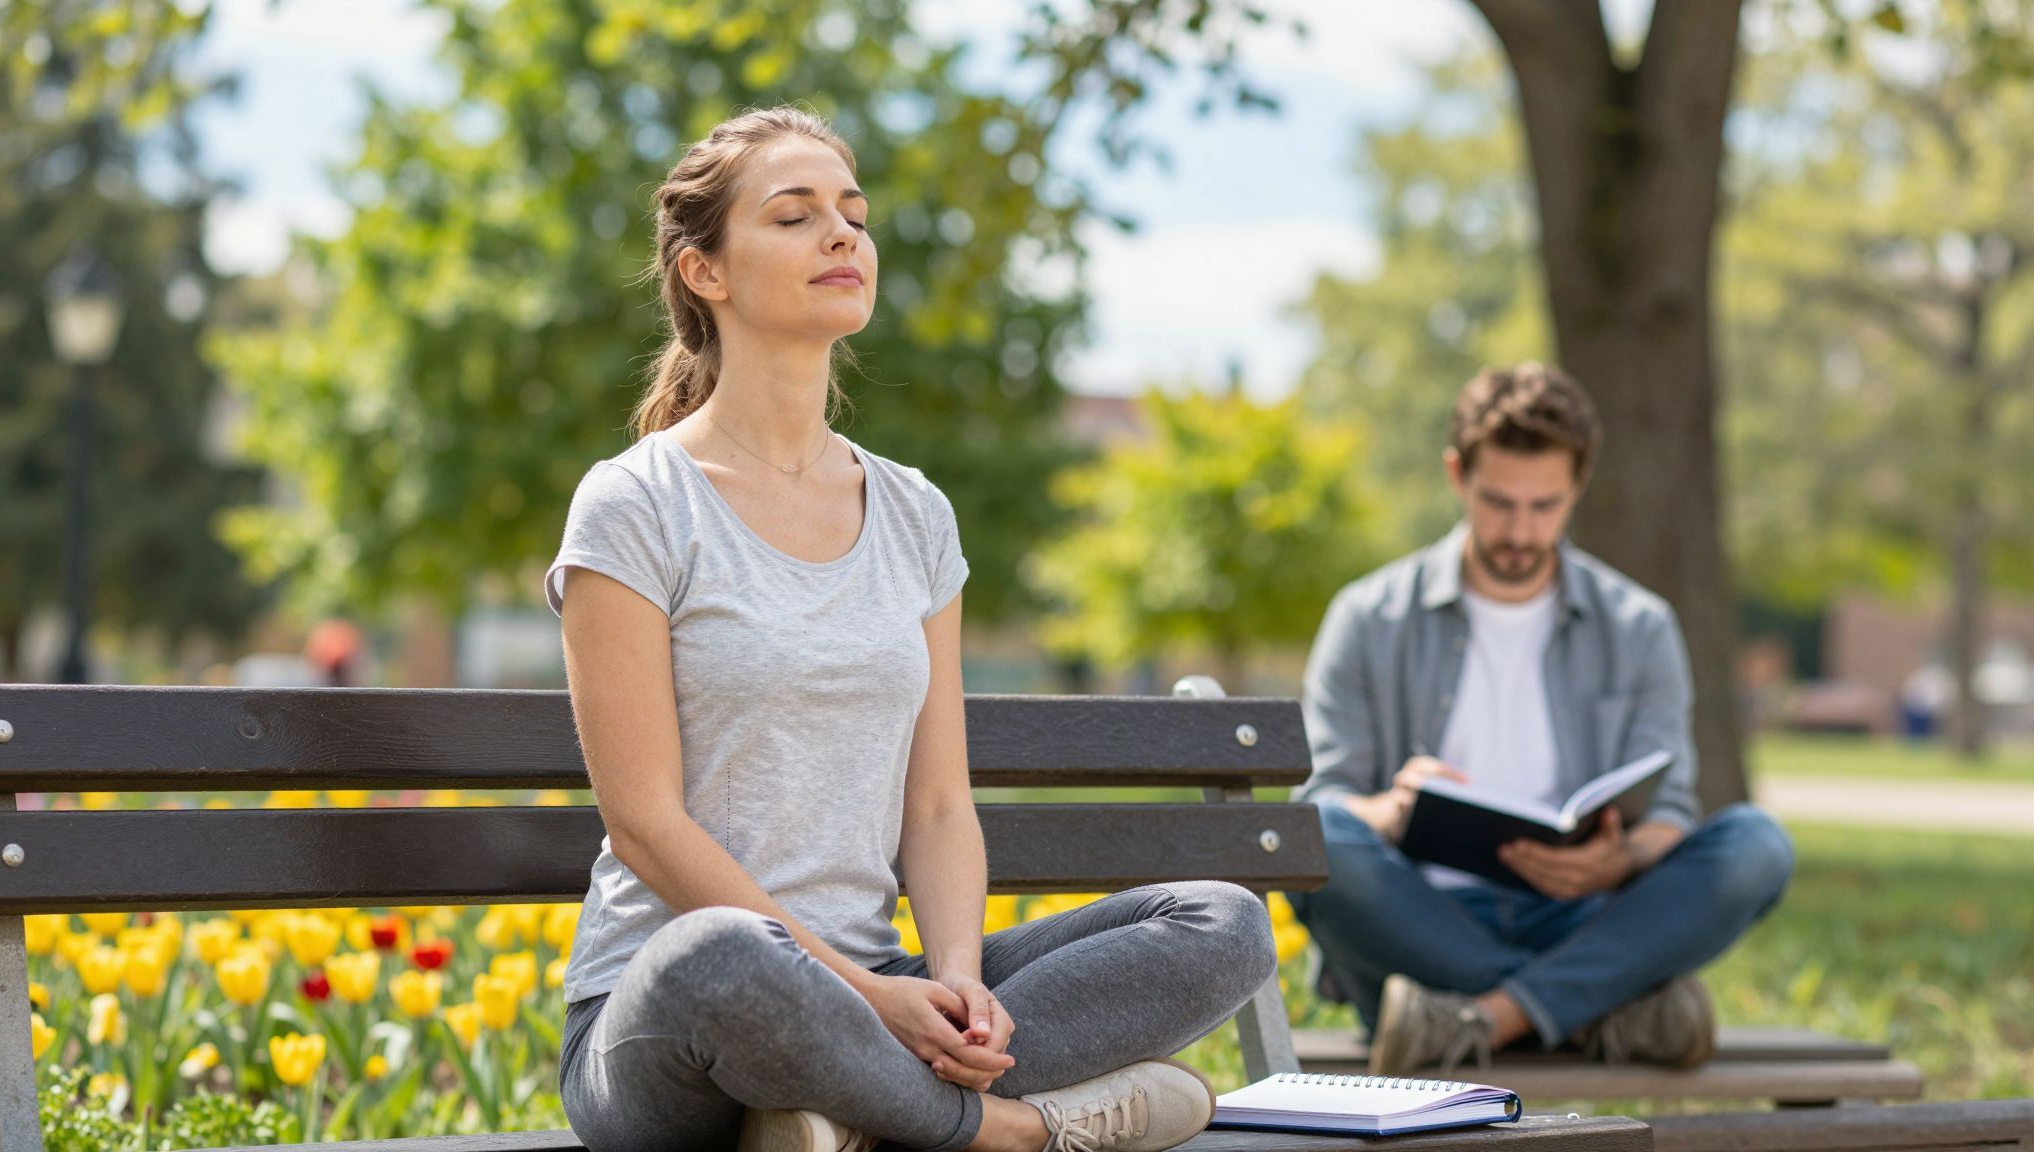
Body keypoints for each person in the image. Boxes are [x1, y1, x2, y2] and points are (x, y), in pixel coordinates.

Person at [544, 106, 1275, 1152]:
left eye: (852, 213)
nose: (842, 236)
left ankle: (845, 1117)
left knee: (1222, 923)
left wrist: (956, 983)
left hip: (885, 988)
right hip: (673, 1014)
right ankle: (1011, 1132)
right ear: (703, 272)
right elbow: (646, 825)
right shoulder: (635, 505)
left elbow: (935, 806)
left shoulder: (915, 513)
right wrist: (858, 997)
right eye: (794, 217)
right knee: (724, 955)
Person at [1288, 363, 1795, 1076]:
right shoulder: (1368, 618)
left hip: (1578, 918)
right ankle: (1597, 1011)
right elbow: (1322, 808)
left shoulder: (1640, 625)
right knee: (1321, 842)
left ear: (1577, 488)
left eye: (1544, 505)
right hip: (1422, 922)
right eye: (1498, 502)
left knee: (1757, 845)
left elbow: (1670, 813)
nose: (1520, 531)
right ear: (1456, 475)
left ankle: (1482, 1020)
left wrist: (1619, 860)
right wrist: (1394, 809)